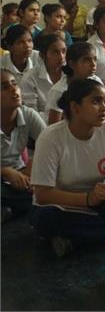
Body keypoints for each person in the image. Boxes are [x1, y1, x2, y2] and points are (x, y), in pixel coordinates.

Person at [30, 78, 105, 257]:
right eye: (96, 101)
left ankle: (75, 239)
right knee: (45, 218)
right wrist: (88, 199)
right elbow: (43, 195)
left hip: (98, 204)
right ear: (75, 107)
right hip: (61, 207)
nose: (104, 108)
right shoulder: (51, 138)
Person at [1, 70, 46, 222]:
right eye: (4, 87)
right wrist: (4, 171)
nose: (14, 89)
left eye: (14, 84)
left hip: (21, 175)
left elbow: (50, 145)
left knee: (45, 189)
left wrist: (32, 168)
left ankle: (9, 210)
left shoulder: (28, 115)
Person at [45, 42, 102, 125]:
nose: (93, 64)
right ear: (72, 64)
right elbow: (53, 124)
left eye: (95, 59)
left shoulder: (96, 81)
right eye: (86, 60)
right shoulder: (59, 90)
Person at [19, 34, 66, 119]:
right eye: (55, 52)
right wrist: (55, 116)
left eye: (64, 51)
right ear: (43, 55)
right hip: (42, 124)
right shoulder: (30, 78)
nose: (61, 56)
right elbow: (32, 114)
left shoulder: (70, 73)